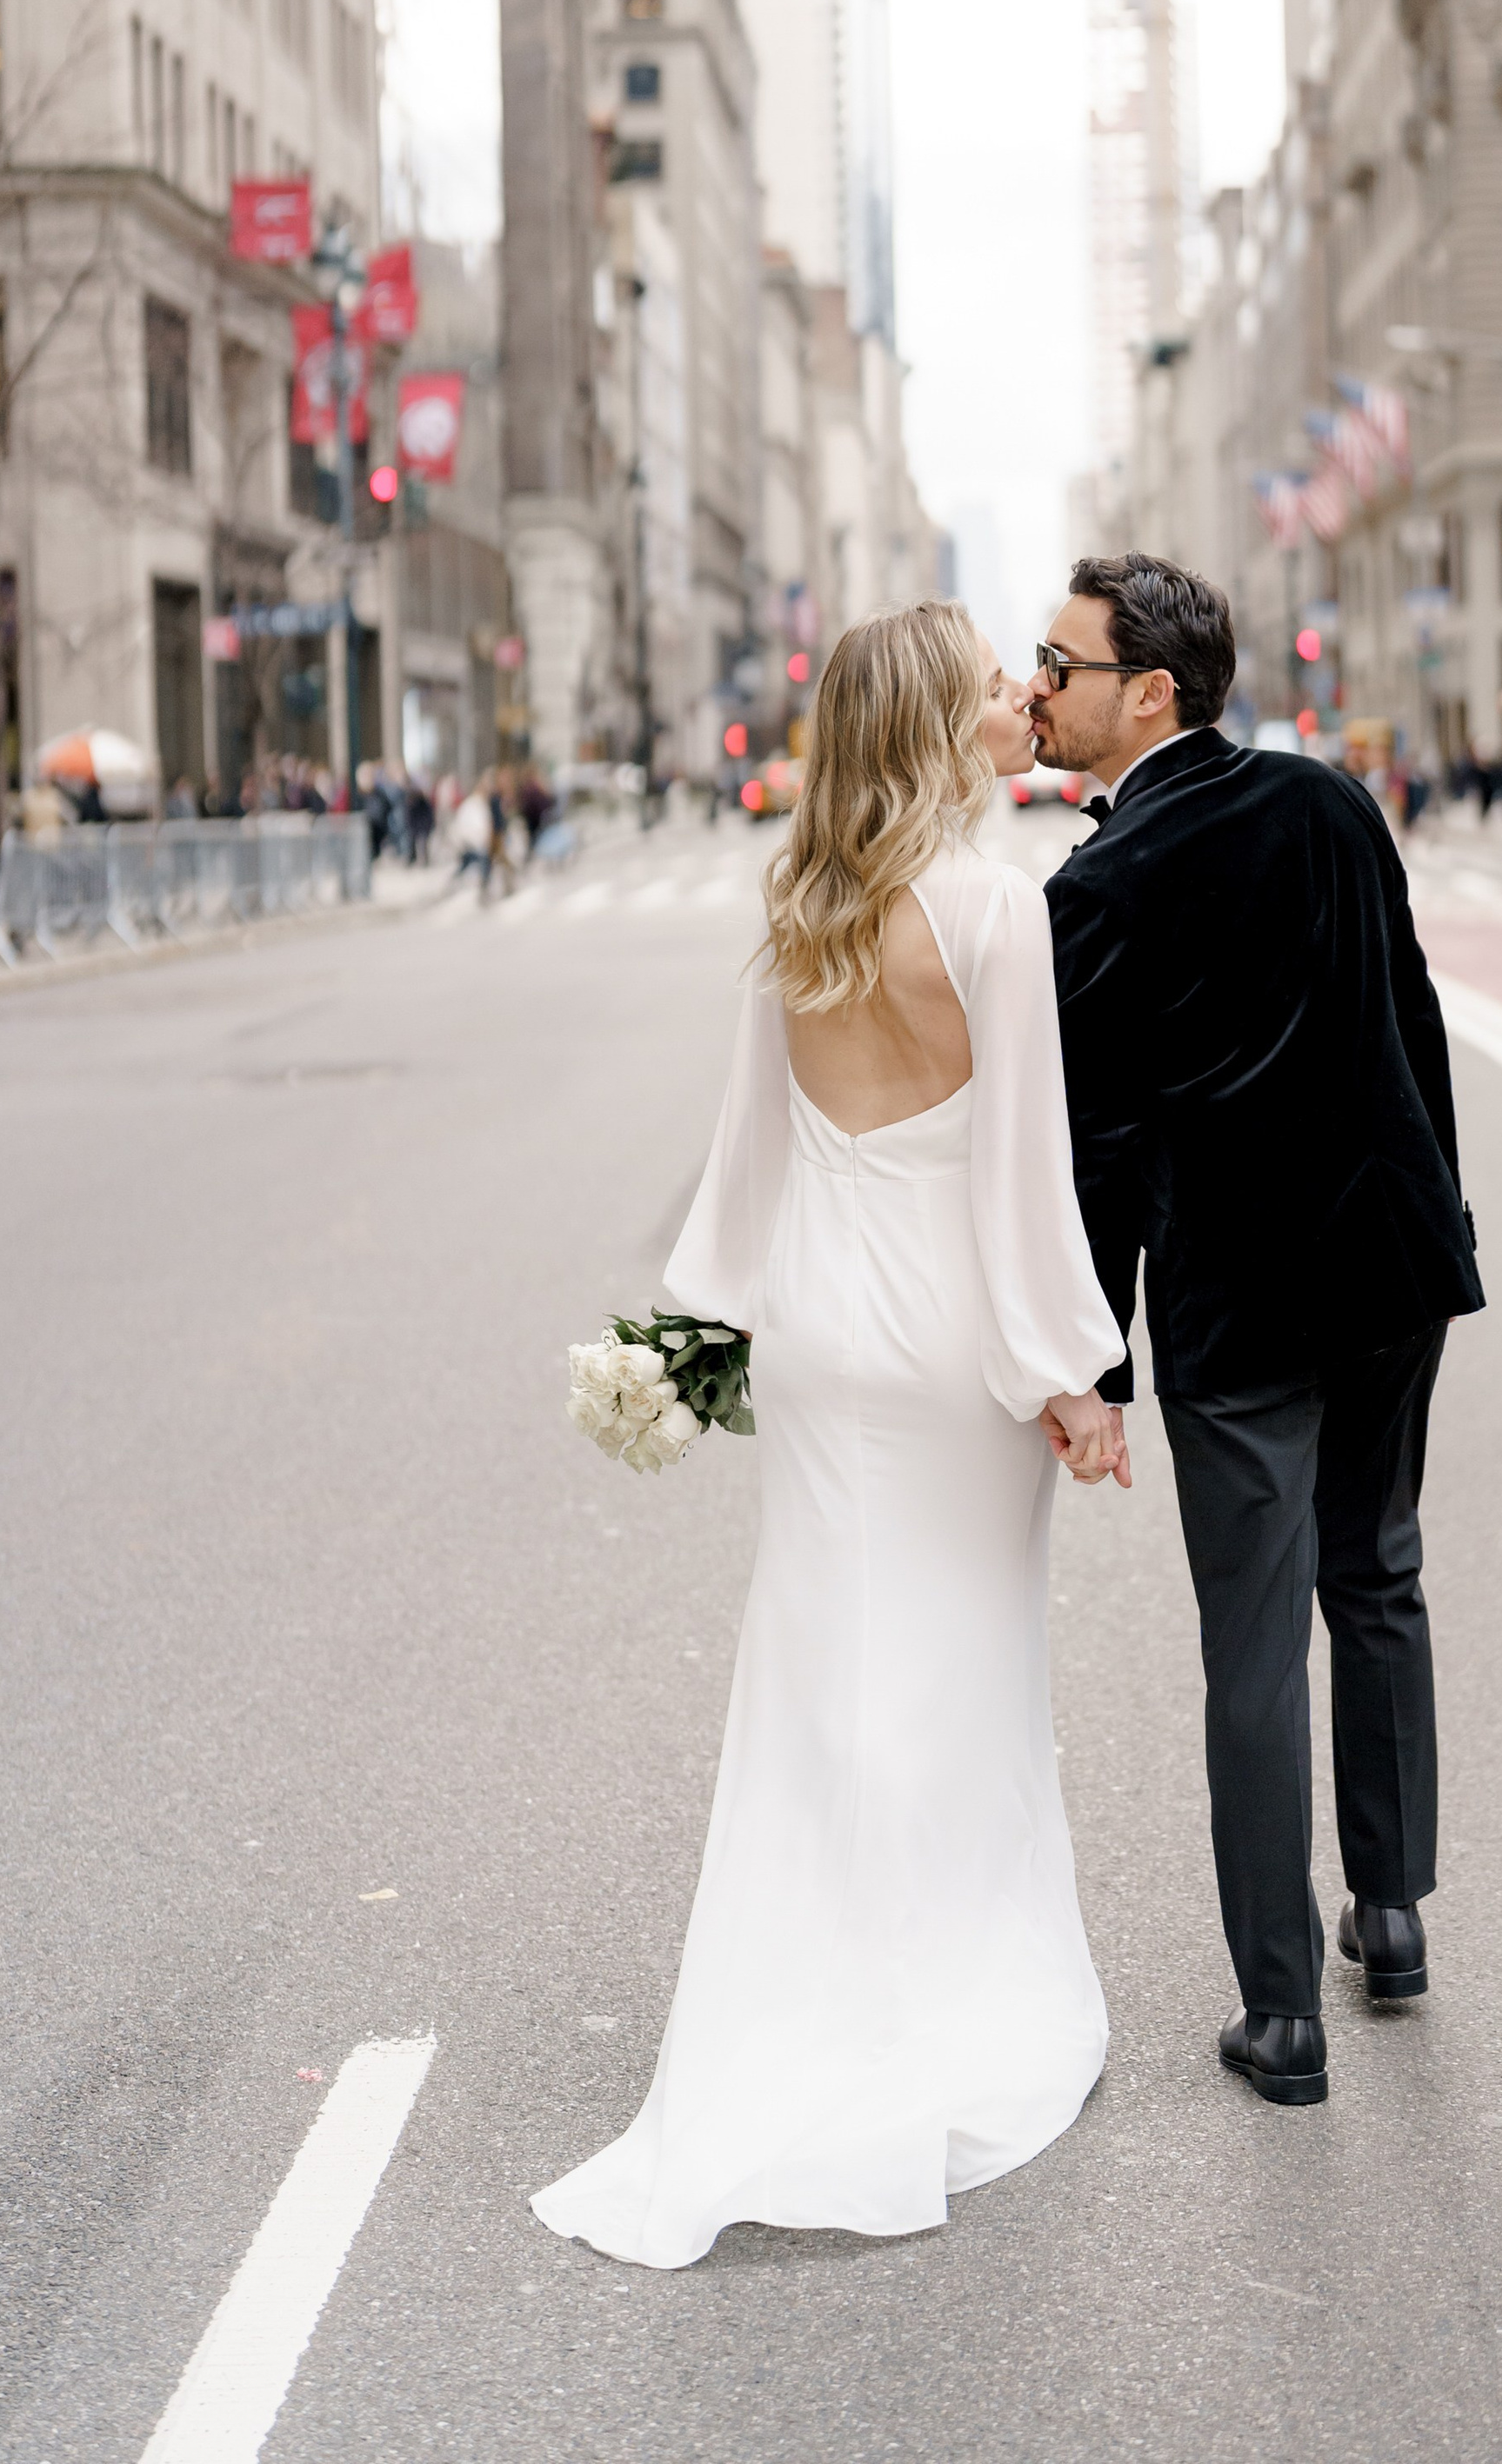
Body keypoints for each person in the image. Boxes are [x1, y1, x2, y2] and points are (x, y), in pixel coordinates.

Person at [534, 603, 1128, 2271]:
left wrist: (707, 1325)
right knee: (963, 1664)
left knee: (815, 1668)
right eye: (988, 690)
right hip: (950, 1341)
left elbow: (748, 1158)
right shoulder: (998, 912)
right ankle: (947, 1986)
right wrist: (1070, 1376)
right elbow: (1025, 1174)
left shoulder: (795, 900)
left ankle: (796, 1991)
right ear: (939, 726)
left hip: (815, 1335)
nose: (1016, 701)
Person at [1033, 552, 1484, 2112]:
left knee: (1252, 1646)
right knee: (1381, 1576)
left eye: (1061, 663)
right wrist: (1446, 1222)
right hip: (1389, 1265)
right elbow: (1410, 1021)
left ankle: (1282, 2017)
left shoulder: (1092, 891)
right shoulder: (1332, 806)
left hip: (1239, 1307)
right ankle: (1395, 1913)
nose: (1037, 686)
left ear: (1147, 692)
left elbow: (1094, 1152)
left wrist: (1095, 1366)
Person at [449, 774, 496, 898]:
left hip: (471, 842)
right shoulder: (474, 805)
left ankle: (455, 883)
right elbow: (476, 826)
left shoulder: (477, 804)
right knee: (482, 864)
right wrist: (482, 840)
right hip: (473, 842)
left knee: (469, 864)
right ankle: (483, 889)